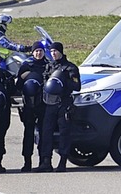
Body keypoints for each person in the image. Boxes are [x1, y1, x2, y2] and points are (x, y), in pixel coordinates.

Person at [36, 42, 81, 172]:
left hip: (64, 103)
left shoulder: (70, 67)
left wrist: (63, 82)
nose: (53, 54)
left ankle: (62, 162)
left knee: (64, 133)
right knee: (46, 132)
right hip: (50, 104)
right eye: (52, 51)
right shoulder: (49, 66)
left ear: (61, 52)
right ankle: (46, 162)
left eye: (55, 51)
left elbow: (77, 86)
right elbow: (44, 83)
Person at [15, 41, 49, 172]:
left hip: (43, 104)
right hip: (29, 104)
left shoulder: (48, 66)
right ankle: (27, 161)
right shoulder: (26, 66)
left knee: (43, 133)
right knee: (28, 133)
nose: (39, 53)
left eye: (40, 50)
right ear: (32, 52)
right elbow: (18, 86)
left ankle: (43, 161)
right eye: (36, 51)